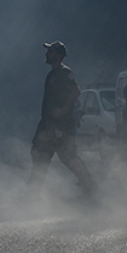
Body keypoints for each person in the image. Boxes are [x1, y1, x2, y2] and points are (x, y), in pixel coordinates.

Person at [24, 41, 97, 200]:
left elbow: (76, 92)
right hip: (48, 125)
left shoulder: (64, 72)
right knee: (40, 157)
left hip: (60, 126)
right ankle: (33, 194)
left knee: (69, 158)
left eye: (50, 51)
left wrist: (62, 111)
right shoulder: (53, 74)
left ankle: (90, 187)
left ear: (58, 55)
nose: (46, 54)